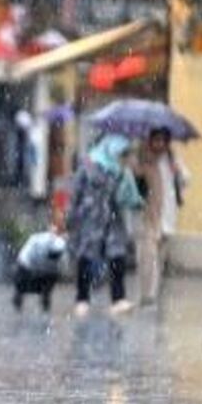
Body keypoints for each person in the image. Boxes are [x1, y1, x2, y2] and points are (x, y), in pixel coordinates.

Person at [68, 134, 144, 319]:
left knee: (117, 257)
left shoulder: (121, 171)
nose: (124, 158)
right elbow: (75, 191)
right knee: (86, 258)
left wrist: (132, 188)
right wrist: (71, 217)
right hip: (89, 219)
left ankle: (118, 299)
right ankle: (82, 299)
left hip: (112, 219)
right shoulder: (88, 164)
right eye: (122, 154)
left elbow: (128, 198)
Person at [135, 127, 188, 306]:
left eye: (162, 140)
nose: (159, 144)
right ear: (150, 141)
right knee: (148, 254)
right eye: (156, 140)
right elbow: (135, 176)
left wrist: (178, 172)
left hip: (169, 212)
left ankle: (155, 292)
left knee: (160, 256)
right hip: (151, 213)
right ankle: (147, 293)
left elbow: (187, 179)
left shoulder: (173, 159)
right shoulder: (145, 159)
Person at [12, 229, 67, 312]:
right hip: (28, 264)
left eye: (56, 255)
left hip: (48, 270)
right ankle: (18, 300)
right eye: (53, 254)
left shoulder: (61, 248)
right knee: (21, 285)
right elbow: (25, 259)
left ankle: (45, 301)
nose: (54, 256)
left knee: (48, 284)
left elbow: (61, 267)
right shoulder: (38, 244)